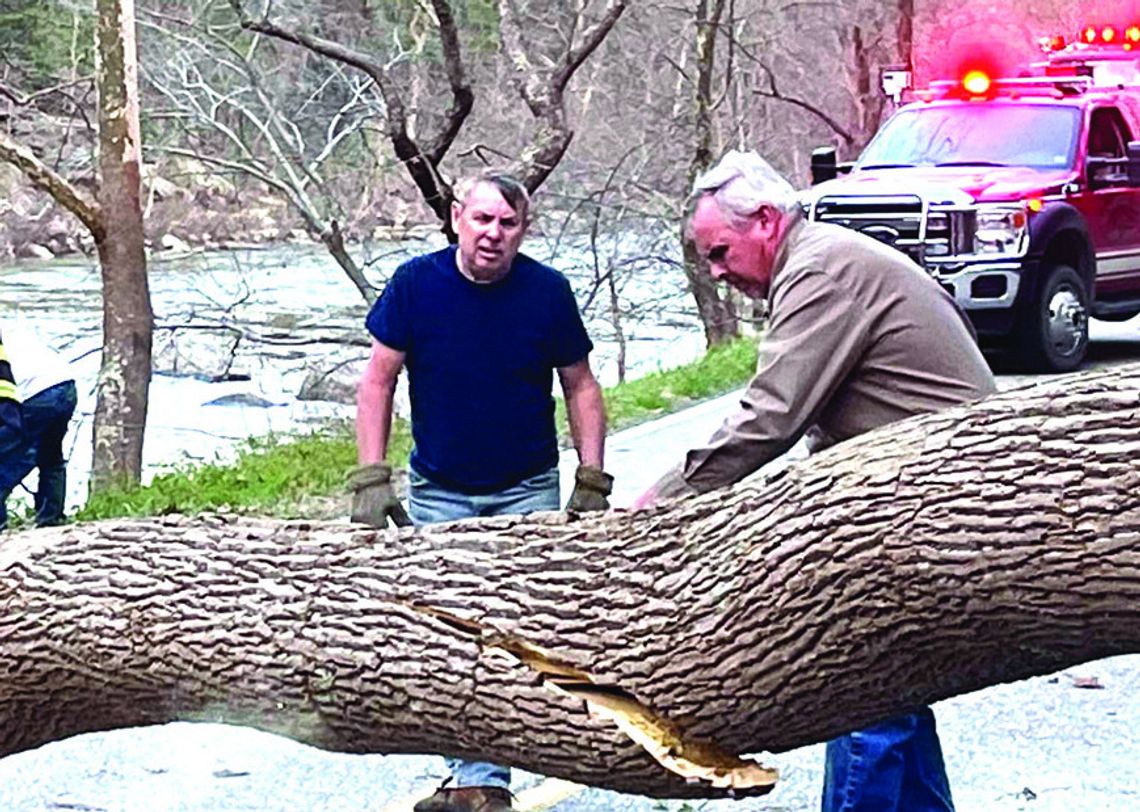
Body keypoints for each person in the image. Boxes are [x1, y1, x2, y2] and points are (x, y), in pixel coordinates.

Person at [635, 150, 997, 812]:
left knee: (862, 689)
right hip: (927, 496)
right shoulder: (827, 257)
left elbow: (771, 416)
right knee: (898, 701)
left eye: (720, 252)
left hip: (936, 506)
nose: (716, 273)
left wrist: (665, 499)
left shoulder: (819, 272)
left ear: (767, 221)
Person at [352, 170, 612, 812]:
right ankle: (480, 779)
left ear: (523, 230)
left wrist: (593, 476)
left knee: (514, 629)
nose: (493, 234)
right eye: (482, 219)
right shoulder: (416, 284)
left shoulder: (547, 292)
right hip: (441, 486)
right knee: (453, 635)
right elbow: (379, 380)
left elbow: (580, 384)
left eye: (508, 223)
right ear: (457, 219)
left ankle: (482, 780)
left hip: (526, 484)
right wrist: (371, 474)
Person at [0, 322, 79, 531]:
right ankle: (51, 519)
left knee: (8, 459)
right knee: (50, 455)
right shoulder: (13, 328)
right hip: (65, 385)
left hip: (34, 394)